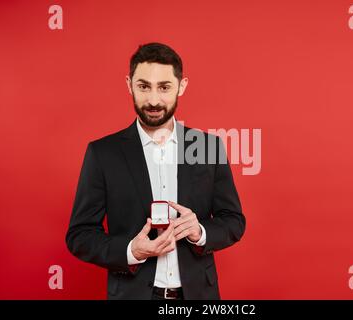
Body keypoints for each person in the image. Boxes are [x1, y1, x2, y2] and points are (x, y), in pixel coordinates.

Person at [66, 42, 246, 300]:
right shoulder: (102, 153)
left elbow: (234, 221)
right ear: (129, 84)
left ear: (181, 86)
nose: (153, 100)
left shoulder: (208, 147)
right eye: (143, 86)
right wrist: (131, 251)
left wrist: (200, 233)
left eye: (164, 87)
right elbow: (79, 235)